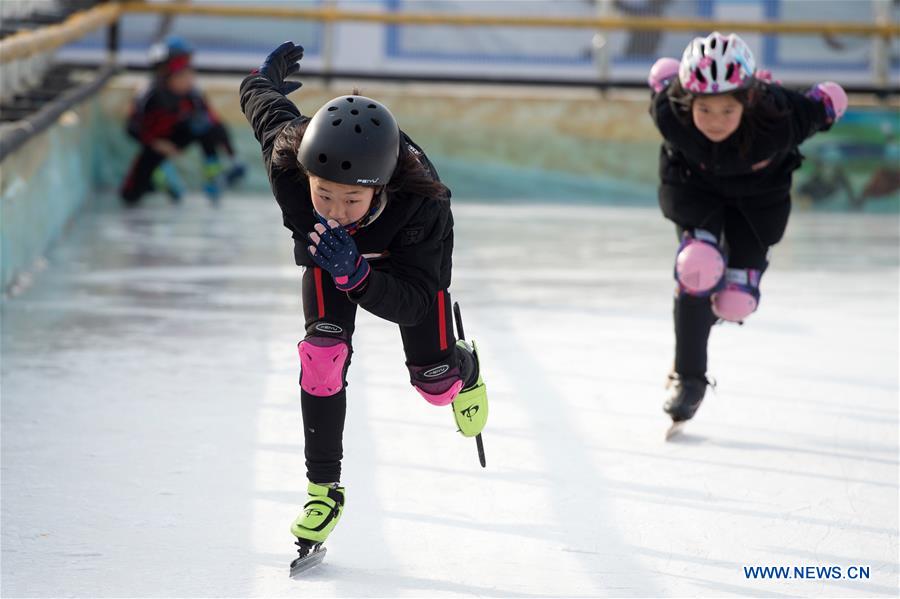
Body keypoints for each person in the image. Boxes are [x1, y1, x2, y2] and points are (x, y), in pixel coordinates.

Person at [239, 42, 489, 563]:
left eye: (352, 198)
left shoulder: (423, 203)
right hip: (334, 265)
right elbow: (262, 105)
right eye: (322, 193)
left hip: (400, 268)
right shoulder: (291, 161)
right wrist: (263, 75)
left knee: (437, 384)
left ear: (380, 189)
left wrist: (357, 274)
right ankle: (323, 491)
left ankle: (465, 367)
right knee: (321, 356)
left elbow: (416, 303)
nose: (335, 210)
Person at [647, 32, 847, 425]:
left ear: (749, 100)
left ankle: (704, 312)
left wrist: (826, 102)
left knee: (735, 301)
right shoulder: (671, 111)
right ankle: (688, 379)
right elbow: (663, 79)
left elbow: (825, 104)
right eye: (704, 110)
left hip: (759, 202)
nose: (715, 122)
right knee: (697, 267)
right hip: (696, 191)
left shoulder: (781, 118)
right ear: (689, 101)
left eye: (727, 110)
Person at [120, 36, 245, 205]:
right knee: (130, 196)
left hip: (178, 136)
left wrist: (233, 157)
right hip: (155, 146)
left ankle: (213, 177)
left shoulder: (192, 95)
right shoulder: (149, 97)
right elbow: (132, 128)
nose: (189, 78)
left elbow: (215, 124)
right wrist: (156, 144)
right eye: (182, 74)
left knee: (207, 127)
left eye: (189, 72)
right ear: (166, 75)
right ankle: (161, 176)